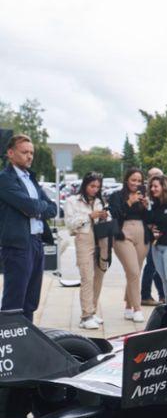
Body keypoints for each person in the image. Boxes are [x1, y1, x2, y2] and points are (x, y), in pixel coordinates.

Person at [0, 135, 57, 322]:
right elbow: (31, 206)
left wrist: (35, 208)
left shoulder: (30, 179)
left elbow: (53, 208)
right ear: (10, 153)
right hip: (18, 246)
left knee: (31, 300)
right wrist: (36, 207)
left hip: (36, 242)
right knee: (14, 301)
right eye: (25, 152)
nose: (30, 156)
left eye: (31, 152)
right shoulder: (5, 179)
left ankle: (26, 341)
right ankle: (9, 344)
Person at [64, 173, 109, 329]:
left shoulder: (99, 201)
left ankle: (93, 311)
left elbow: (107, 220)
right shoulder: (71, 201)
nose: (95, 190)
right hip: (83, 238)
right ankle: (86, 315)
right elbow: (69, 223)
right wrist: (89, 216)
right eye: (92, 186)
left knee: (99, 276)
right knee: (87, 277)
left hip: (101, 239)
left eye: (98, 187)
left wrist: (104, 216)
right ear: (85, 185)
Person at [109, 167, 151, 322]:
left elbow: (149, 218)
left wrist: (147, 207)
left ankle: (128, 305)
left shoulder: (143, 196)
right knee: (133, 271)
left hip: (142, 234)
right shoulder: (116, 196)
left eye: (140, 181)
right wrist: (128, 203)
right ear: (126, 180)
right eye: (134, 180)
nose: (137, 183)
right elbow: (115, 216)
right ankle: (137, 308)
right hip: (123, 234)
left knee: (135, 273)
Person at [139, 167, 166, 306]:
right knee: (151, 265)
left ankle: (162, 295)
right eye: (153, 176)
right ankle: (145, 295)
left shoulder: (162, 194)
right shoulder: (144, 194)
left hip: (160, 234)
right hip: (148, 234)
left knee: (158, 266)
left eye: (159, 176)